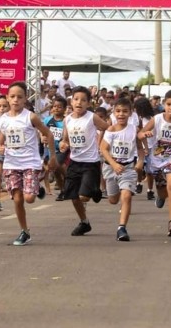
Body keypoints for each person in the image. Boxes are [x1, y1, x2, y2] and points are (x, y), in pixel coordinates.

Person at [0, 82, 54, 246]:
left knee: (29, 198)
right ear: (7, 98)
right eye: (12, 96)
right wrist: (0, 148)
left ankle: (36, 187)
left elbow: (48, 133)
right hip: (11, 163)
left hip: (30, 162)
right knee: (18, 198)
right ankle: (24, 231)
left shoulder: (31, 117)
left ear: (25, 99)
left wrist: (53, 156)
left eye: (19, 97)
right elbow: (1, 139)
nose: (15, 100)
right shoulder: (3, 119)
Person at [58, 86, 109, 236]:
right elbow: (65, 139)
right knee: (74, 197)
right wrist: (63, 144)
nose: (79, 102)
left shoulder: (91, 117)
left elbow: (107, 128)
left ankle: (94, 189)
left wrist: (101, 143)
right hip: (74, 161)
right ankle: (84, 222)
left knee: (83, 196)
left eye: (83, 100)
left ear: (89, 103)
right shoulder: (67, 119)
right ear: (71, 101)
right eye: (76, 99)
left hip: (90, 162)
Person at [139, 89, 171, 236]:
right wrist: (144, 134)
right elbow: (140, 134)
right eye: (169, 104)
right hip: (157, 160)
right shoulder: (157, 119)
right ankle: (161, 197)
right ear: (164, 104)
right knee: (163, 192)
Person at [100, 97, 144, 241]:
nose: (121, 114)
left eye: (125, 111)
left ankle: (122, 228)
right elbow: (103, 149)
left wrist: (141, 161)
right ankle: (117, 190)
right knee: (113, 200)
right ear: (113, 112)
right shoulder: (111, 130)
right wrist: (113, 164)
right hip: (111, 168)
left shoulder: (133, 130)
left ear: (131, 113)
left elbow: (139, 147)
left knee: (126, 196)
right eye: (118, 111)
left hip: (128, 169)